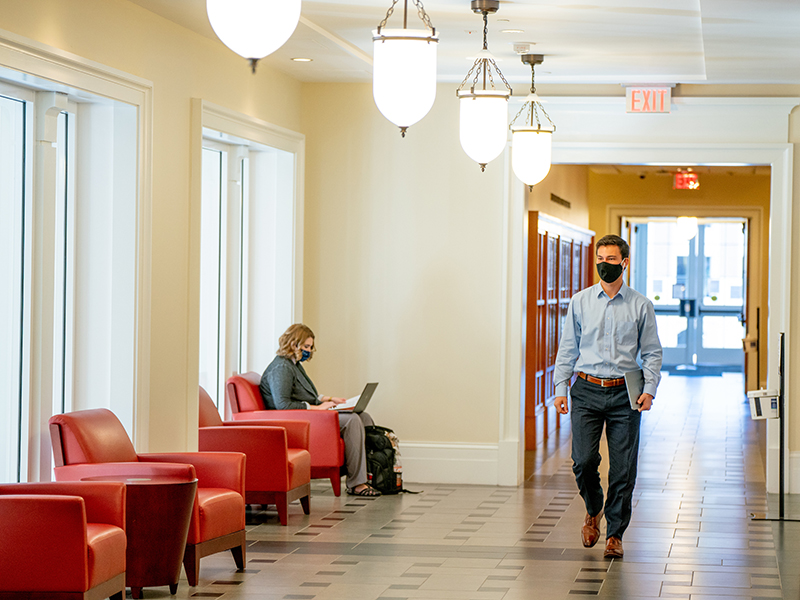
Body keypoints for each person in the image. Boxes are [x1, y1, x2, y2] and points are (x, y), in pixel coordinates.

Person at [553, 234, 662, 559]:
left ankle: (614, 533)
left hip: (625, 392)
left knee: (623, 469)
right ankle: (593, 507)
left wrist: (649, 389)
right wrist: (560, 388)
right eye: (600, 258)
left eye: (611, 259)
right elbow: (567, 348)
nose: (604, 264)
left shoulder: (640, 305)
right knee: (583, 461)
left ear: (624, 263)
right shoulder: (580, 301)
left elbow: (652, 352)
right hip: (585, 389)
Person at [260, 323, 381, 496]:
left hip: (310, 415)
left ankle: (371, 475)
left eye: (310, 347)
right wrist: (317, 408)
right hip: (299, 420)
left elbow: (306, 394)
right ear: (294, 344)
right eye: (306, 346)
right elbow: (283, 405)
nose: (309, 351)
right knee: (352, 421)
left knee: (364, 417)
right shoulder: (281, 368)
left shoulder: (293, 365)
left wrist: (330, 400)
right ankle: (357, 484)